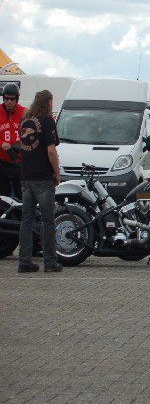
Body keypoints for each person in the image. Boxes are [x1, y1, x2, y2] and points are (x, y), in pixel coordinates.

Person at [17, 89, 62, 273]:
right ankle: (50, 262)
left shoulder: (25, 120)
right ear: (48, 102)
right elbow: (51, 150)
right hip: (43, 177)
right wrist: (57, 172)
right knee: (48, 221)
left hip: (26, 176)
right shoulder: (47, 120)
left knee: (26, 220)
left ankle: (24, 261)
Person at [0, 82, 26, 199]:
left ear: (17, 99)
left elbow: (32, 133)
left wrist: (20, 143)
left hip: (19, 162)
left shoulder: (25, 112)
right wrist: (2, 143)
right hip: (2, 161)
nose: (9, 101)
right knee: (3, 197)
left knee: (22, 196)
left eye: (12, 99)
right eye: (6, 98)